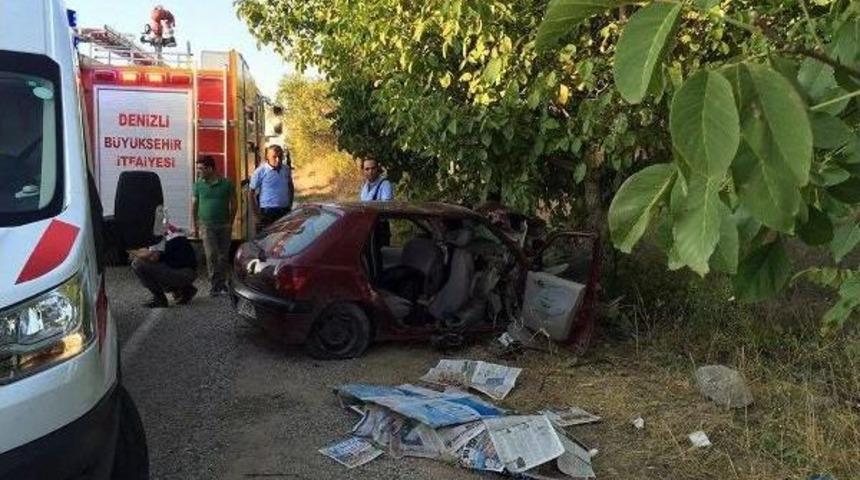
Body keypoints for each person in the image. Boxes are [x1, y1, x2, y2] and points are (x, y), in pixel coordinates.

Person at [192, 155, 235, 297]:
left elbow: (234, 203)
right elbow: (194, 205)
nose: (198, 172)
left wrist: (230, 222)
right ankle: (215, 285)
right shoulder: (198, 185)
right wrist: (195, 225)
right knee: (211, 255)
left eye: (201, 169)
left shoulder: (227, 184)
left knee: (223, 255)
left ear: (210, 169)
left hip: (224, 225)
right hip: (206, 226)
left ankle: (222, 284)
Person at [130, 224, 197, 308]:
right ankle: (185, 289)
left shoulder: (156, 232)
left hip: (182, 274)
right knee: (154, 264)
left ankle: (160, 299)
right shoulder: (168, 228)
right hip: (189, 272)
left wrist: (130, 249)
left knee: (138, 264)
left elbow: (153, 257)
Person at [250, 145, 294, 231]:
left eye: (280, 156)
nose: (278, 160)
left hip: (284, 210)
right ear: (267, 157)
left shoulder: (286, 169)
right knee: (268, 237)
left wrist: (290, 204)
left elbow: (290, 186)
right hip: (268, 211)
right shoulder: (260, 171)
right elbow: (251, 193)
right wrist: (256, 216)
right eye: (274, 157)